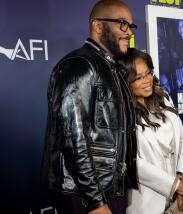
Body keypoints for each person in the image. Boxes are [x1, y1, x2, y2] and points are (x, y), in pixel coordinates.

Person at [41, 1, 138, 214]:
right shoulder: (79, 65)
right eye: (122, 24)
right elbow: (73, 138)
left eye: (131, 26)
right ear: (98, 26)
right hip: (84, 195)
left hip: (108, 189)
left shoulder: (113, 68)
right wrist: (94, 200)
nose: (129, 32)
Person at [121, 49, 183, 214]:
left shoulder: (163, 96)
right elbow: (132, 162)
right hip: (146, 203)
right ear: (126, 82)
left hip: (177, 201)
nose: (147, 80)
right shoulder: (121, 113)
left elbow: (181, 139)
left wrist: (182, 177)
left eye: (148, 73)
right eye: (139, 77)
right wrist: (174, 186)